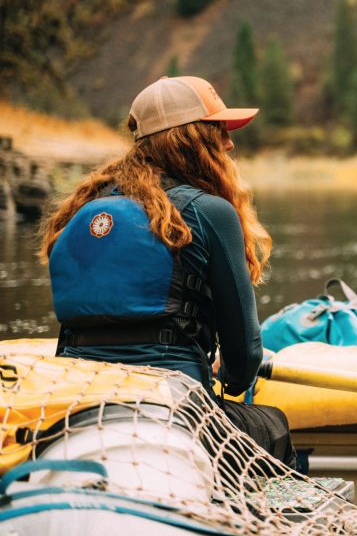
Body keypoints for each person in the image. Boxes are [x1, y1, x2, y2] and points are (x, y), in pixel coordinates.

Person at [39, 75, 294, 466]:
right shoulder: (211, 212)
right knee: (273, 425)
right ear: (192, 138)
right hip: (177, 409)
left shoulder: (80, 211)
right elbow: (244, 358)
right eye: (220, 131)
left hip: (78, 403)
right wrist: (229, 373)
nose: (230, 143)